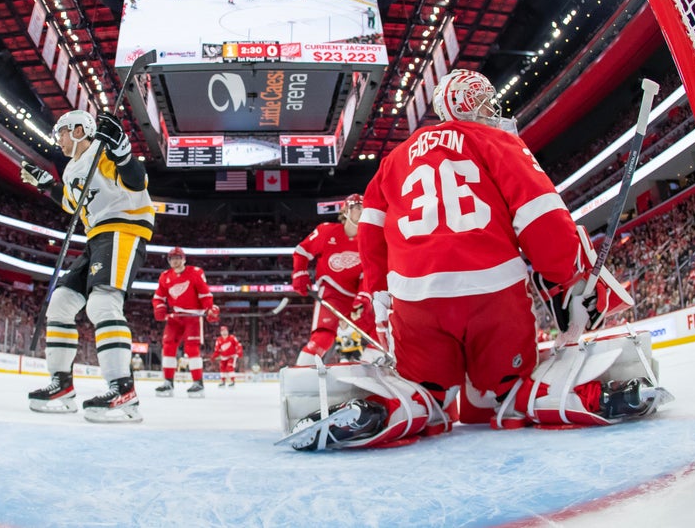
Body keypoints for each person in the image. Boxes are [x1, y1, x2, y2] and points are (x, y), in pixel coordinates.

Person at [279, 69, 666, 450]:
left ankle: (392, 409)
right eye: (483, 101)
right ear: (466, 105)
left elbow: (371, 233)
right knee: (508, 390)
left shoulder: (393, 160)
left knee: (426, 392)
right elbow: (540, 214)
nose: (492, 109)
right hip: (492, 289)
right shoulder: (493, 140)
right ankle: (571, 397)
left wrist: (380, 295)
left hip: (416, 299)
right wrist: (570, 281)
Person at [19, 109, 154, 423]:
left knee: (103, 303)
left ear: (79, 129)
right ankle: (62, 385)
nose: (59, 139)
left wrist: (122, 151)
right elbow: (71, 203)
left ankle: (124, 390)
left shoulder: (103, 150)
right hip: (96, 237)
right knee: (61, 304)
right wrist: (46, 185)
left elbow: (136, 181)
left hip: (123, 229)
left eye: (63, 132)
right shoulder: (70, 169)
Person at [290, 194, 373, 366]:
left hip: (358, 296)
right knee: (323, 336)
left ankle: (371, 369)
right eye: (357, 207)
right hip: (331, 292)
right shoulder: (326, 231)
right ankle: (301, 372)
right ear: (345, 211)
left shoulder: (370, 241)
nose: (362, 211)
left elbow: (370, 274)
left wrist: (363, 298)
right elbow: (302, 251)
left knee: (378, 333)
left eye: (364, 207)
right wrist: (300, 274)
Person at [151, 246, 219, 397]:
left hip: (193, 317)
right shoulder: (165, 276)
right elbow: (159, 297)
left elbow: (204, 292)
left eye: (177, 258)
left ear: (183, 259)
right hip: (175, 317)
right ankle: (168, 382)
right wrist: (159, 308)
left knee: (192, 349)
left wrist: (209, 308)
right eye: (172, 258)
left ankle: (198, 383)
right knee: (168, 347)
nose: (175, 261)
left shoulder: (195, 273)